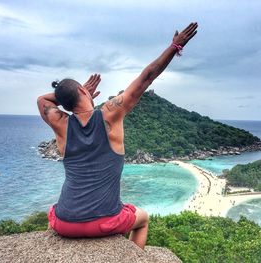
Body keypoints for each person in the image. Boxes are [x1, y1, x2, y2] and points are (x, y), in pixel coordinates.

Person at [37, 22, 198, 250]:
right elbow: (146, 77)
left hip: (64, 222)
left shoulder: (60, 124)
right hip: (105, 221)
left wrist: (68, 95)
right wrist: (175, 46)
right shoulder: (109, 115)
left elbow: (41, 101)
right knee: (142, 219)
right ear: (84, 92)